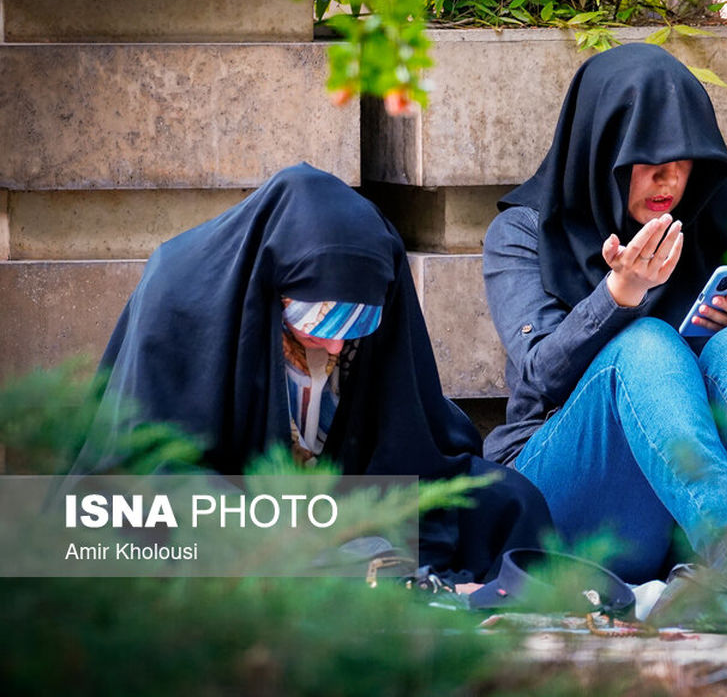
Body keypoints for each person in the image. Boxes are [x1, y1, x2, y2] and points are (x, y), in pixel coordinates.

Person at [482, 43, 727, 588]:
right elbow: (538, 376)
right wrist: (618, 296)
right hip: (563, 500)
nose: (670, 181)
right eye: (649, 162)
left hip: (681, 516)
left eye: (682, 162)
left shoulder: (704, 221)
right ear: (605, 152)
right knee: (647, 341)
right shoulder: (521, 234)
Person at [84, 163, 552, 582]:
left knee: (509, 502)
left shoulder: (373, 299)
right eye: (317, 325)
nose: (334, 346)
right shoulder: (178, 290)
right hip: (218, 505)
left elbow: (412, 449)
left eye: (352, 329)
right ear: (273, 285)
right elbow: (140, 471)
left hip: (343, 505)